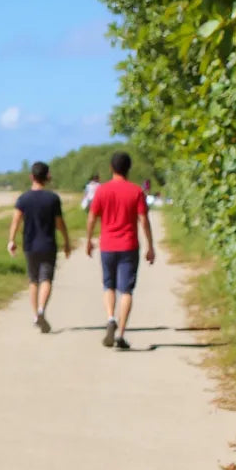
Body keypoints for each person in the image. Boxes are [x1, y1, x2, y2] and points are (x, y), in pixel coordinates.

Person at [86, 150, 156, 350]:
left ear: (111, 168)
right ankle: (121, 333)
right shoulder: (136, 191)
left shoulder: (102, 191)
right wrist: (150, 247)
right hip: (129, 246)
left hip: (107, 245)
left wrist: (89, 240)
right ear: (129, 169)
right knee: (126, 290)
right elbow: (144, 220)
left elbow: (92, 217)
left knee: (108, 286)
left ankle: (110, 318)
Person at [7, 161, 71, 333]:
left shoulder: (23, 198)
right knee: (46, 279)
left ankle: (36, 315)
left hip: (30, 245)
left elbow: (16, 221)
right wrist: (66, 241)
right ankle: (42, 310)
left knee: (33, 280)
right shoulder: (53, 198)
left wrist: (11, 240)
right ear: (47, 177)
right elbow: (60, 223)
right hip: (48, 245)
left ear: (31, 177)